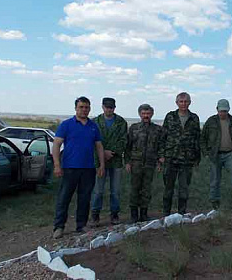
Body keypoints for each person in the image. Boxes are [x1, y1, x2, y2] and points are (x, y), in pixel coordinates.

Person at [52, 96, 105, 239]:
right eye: (81, 107)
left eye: (86, 107)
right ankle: (59, 227)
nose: (84, 110)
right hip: (70, 167)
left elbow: (99, 146)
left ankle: (81, 225)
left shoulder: (93, 126)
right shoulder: (66, 125)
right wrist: (57, 165)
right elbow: (56, 145)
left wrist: (101, 165)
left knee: (85, 198)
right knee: (64, 197)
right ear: (76, 108)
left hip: (88, 168)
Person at [201, 99, 232, 213]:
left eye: (225, 111)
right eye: (221, 111)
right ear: (217, 109)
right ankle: (215, 206)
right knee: (215, 180)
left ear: (228, 110)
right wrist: (206, 153)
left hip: (230, 154)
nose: (223, 113)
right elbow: (202, 138)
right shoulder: (211, 121)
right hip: (215, 155)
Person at [124, 104, 165, 222]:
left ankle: (144, 214)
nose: (146, 116)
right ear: (139, 114)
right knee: (135, 188)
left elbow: (160, 146)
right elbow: (128, 146)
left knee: (147, 189)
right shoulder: (134, 128)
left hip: (150, 163)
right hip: (136, 163)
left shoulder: (157, 129)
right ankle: (133, 215)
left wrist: (160, 161)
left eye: (148, 113)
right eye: (143, 113)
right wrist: (127, 162)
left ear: (152, 114)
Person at [162, 92, 201, 215]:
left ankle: (181, 214)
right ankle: (166, 214)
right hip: (171, 157)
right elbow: (163, 136)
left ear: (190, 102)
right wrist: (161, 155)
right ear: (177, 103)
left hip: (187, 159)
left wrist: (197, 157)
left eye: (186, 101)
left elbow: (197, 138)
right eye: (181, 101)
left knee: (184, 189)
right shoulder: (170, 116)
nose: (184, 104)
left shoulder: (194, 118)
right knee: (168, 188)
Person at [90, 97, 127, 226]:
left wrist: (111, 152)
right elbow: (92, 141)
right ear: (102, 107)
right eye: (107, 107)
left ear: (114, 108)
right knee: (98, 190)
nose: (109, 109)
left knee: (115, 191)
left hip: (115, 160)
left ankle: (114, 214)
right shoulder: (95, 122)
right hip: (99, 162)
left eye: (111, 107)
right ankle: (95, 215)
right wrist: (102, 153)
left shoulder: (121, 122)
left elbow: (123, 140)